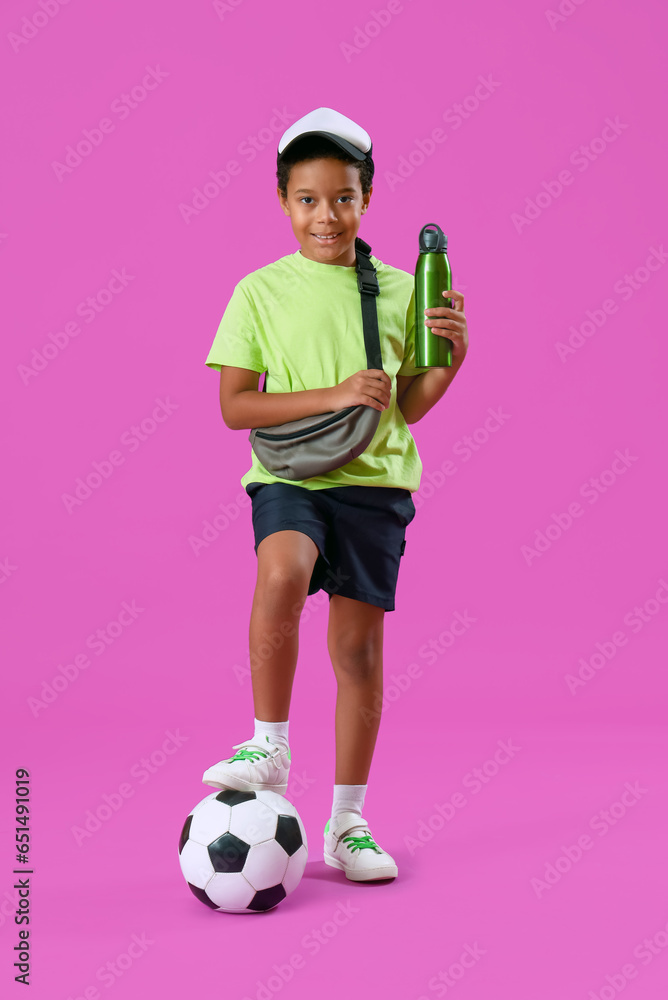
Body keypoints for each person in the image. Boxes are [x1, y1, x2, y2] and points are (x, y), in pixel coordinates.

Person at [201, 107, 468, 882]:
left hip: (375, 486)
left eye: (343, 197)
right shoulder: (259, 291)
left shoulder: (396, 289)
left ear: (368, 198)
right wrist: (332, 392)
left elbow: (405, 407)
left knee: (357, 652)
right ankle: (269, 741)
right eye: (309, 199)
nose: (327, 215)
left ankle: (347, 823)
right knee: (281, 571)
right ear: (284, 202)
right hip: (289, 477)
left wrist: (451, 361)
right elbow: (235, 408)